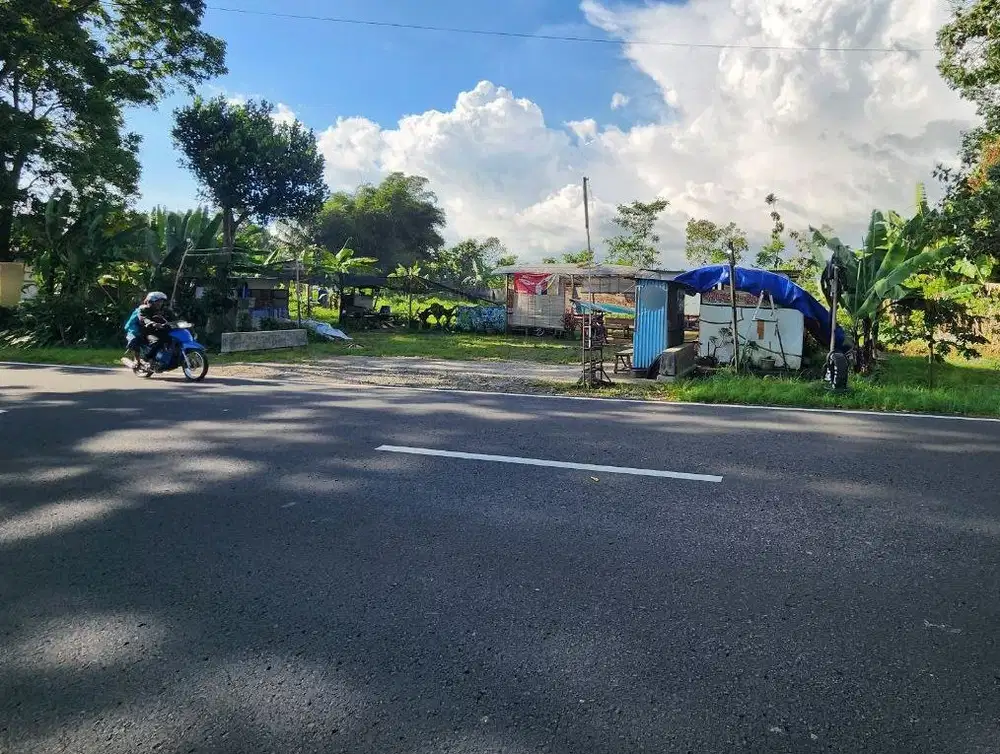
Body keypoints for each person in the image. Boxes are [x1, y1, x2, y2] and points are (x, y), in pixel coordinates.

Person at [124, 291, 175, 370]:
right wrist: (152, 323)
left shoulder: (165, 310)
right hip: (141, 328)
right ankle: (143, 359)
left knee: (167, 337)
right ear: (151, 301)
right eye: (158, 301)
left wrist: (182, 322)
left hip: (154, 329)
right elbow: (143, 318)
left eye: (161, 301)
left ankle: (164, 357)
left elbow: (174, 318)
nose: (160, 304)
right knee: (146, 340)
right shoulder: (143, 309)